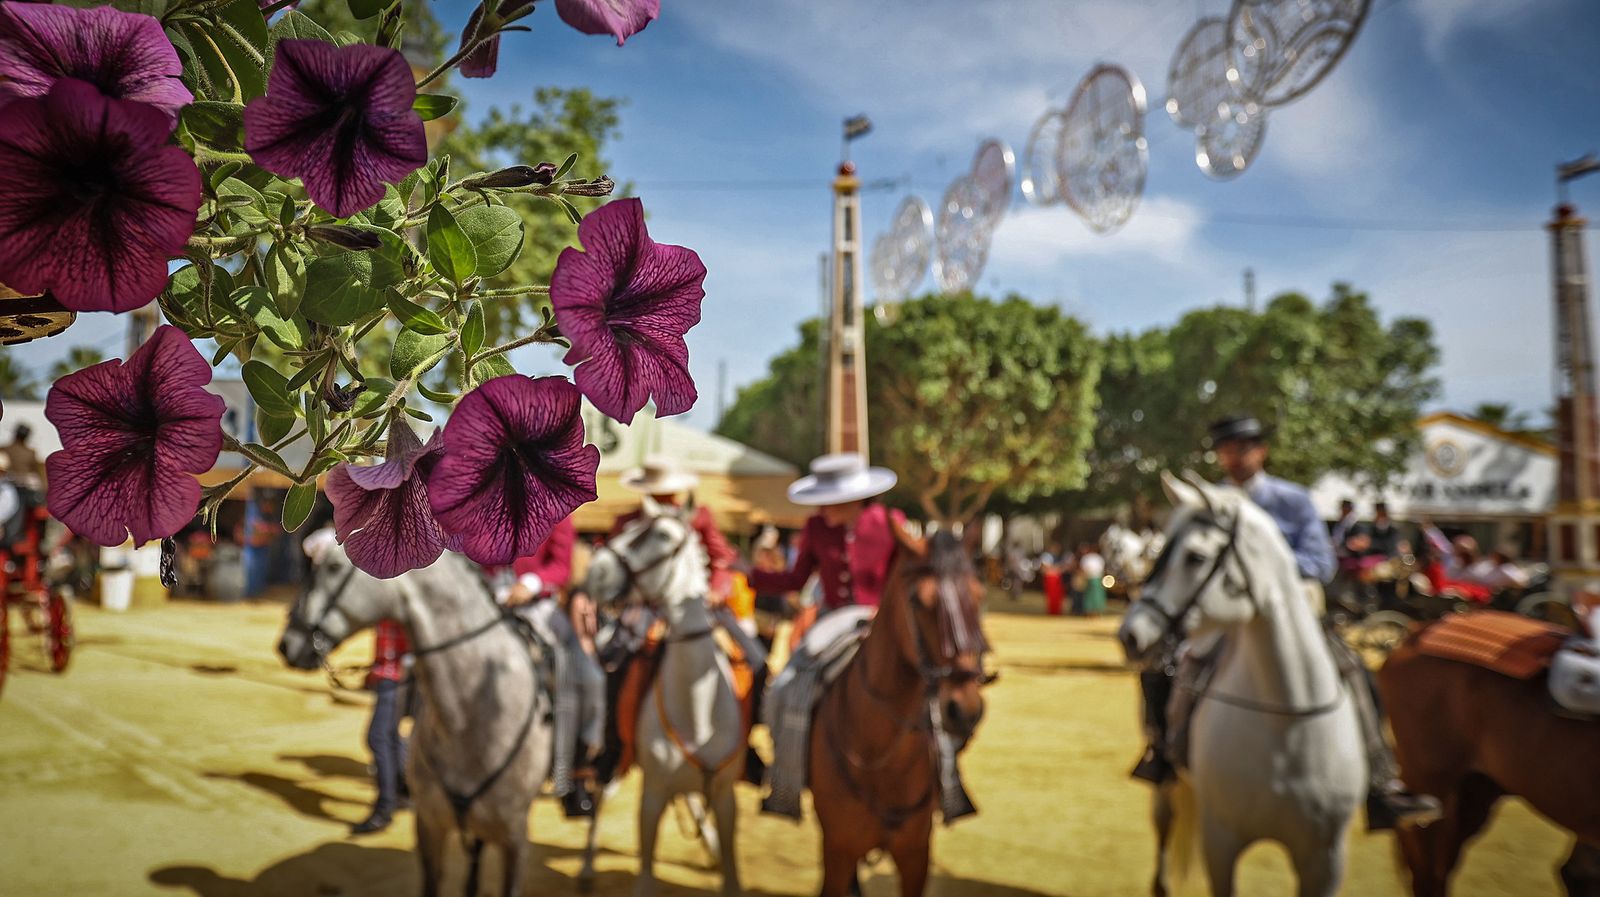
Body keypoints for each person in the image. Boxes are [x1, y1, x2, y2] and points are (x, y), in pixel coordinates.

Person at [1135, 414, 1439, 831]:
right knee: (1162, 664)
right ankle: (1162, 754)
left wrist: (1263, 567)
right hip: (1226, 617)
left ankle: (1381, 785)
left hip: (1290, 618)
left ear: (1261, 451)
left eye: (1242, 448)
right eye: (1226, 450)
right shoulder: (1208, 501)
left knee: (1353, 670)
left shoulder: (1292, 500)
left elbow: (1320, 562)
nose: (1234, 457)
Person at [611, 456, 735, 602]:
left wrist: (716, 590)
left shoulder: (698, 517)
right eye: (657, 494)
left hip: (690, 598)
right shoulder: (628, 523)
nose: (661, 498)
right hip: (640, 601)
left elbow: (721, 559)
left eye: (665, 494)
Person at [4, 423, 42, 490]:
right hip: (24, 486)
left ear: (16, 434)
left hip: (8, 483)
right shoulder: (30, 453)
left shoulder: (5, 449)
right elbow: (35, 470)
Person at [1076, 543, 1107, 616]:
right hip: (1089, 578)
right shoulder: (1088, 558)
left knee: (1097, 595)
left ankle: (1097, 611)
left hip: (1096, 578)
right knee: (1089, 596)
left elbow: (1102, 570)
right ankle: (1090, 611)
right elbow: (1083, 569)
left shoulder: (1096, 558)